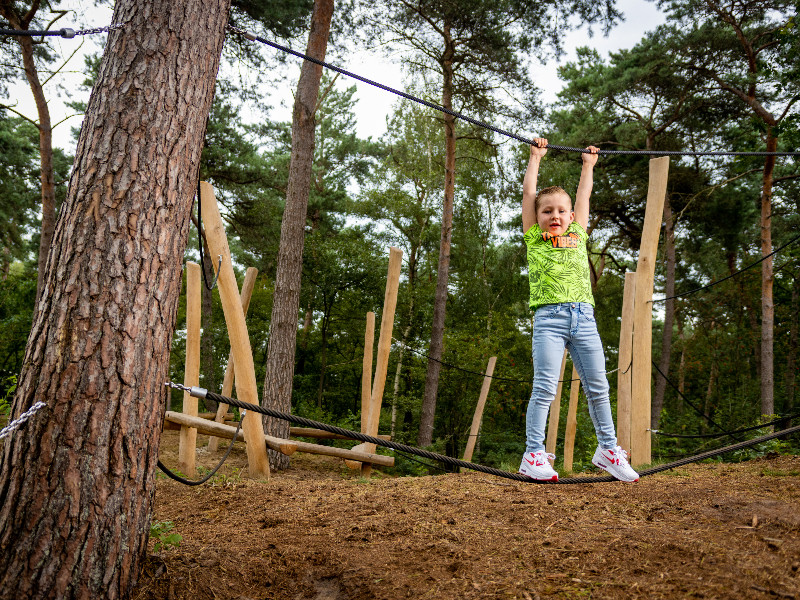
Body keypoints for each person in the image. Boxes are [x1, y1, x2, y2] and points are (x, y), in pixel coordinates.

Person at [519, 138, 639, 483]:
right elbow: (529, 195)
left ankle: (608, 449)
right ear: (537, 217)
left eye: (561, 211)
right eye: (547, 211)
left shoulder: (578, 233)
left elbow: (583, 196)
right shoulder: (534, 238)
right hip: (549, 319)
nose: (554, 215)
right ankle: (533, 454)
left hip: (584, 318)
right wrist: (536, 158)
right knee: (544, 387)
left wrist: (588, 166)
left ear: (571, 217)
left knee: (598, 386)